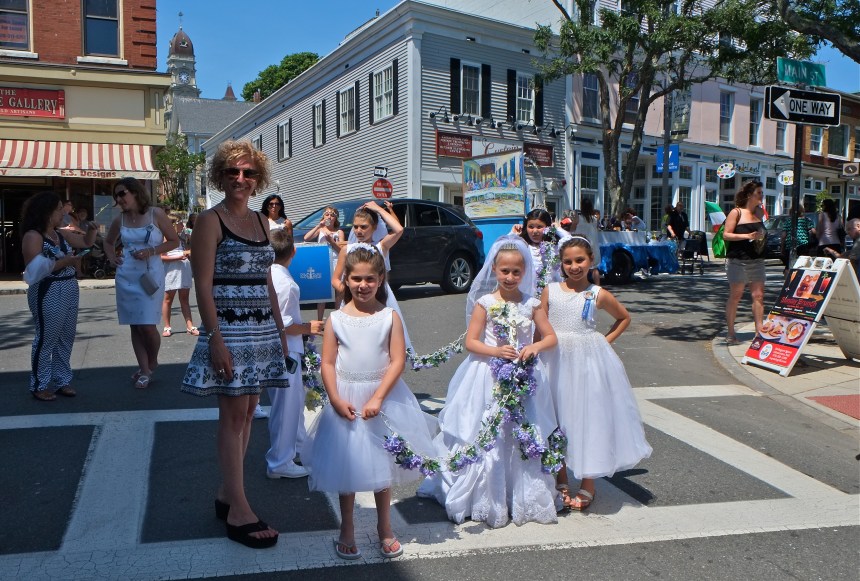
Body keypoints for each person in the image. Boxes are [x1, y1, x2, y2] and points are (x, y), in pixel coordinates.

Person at [180, 140, 291, 549]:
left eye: (247, 173)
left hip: (260, 328)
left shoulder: (264, 222)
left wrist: (279, 333)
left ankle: (228, 494)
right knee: (231, 417)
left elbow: (267, 282)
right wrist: (214, 339)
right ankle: (240, 508)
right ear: (220, 177)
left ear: (257, 178)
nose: (240, 179)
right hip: (228, 328)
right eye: (232, 172)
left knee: (247, 415)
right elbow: (203, 286)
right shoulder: (210, 221)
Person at [303, 245, 436, 559]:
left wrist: (378, 397)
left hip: (383, 398)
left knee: (382, 462)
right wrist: (335, 399)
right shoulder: (336, 319)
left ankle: (384, 527)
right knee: (346, 464)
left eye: (369, 279)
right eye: (356, 278)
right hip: (346, 399)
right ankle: (346, 528)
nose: (362, 285)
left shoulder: (388, 317)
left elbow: (397, 360)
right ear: (346, 280)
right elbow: (328, 363)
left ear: (380, 279)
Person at [418, 235, 560, 528]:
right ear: (494, 269)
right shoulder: (485, 303)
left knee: (520, 430)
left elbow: (550, 337)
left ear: (524, 273)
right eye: (504, 271)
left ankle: (518, 494)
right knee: (484, 430)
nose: (510, 277)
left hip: (523, 377)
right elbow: (471, 342)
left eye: (516, 272)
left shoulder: (532, 304)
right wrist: (495, 350)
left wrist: (533, 347)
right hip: (487, 374)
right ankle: (483, 496)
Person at [545, 235, 652, 510]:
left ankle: (589, 482)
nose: (574, 266)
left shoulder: (597, 294)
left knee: (586, 417)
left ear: (591, 260)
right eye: (568, 261)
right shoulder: (550, 291)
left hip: (586, 363)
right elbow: (540, 325)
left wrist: (603, 341)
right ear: (561, 264)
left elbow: (624, 318)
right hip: (554, 360)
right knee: (557, 417)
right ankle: (561, 477)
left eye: (580, 260)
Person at [21, 191, 98, 401]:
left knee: (66, 337)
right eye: (57, 209)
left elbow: (85, 244)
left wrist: (91, 231)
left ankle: (62, 380)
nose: (62, 213)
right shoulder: (33, 236)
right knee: (47, 338)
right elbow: (33, 270)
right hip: (48, 289)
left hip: (69, 286)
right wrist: (65, 262)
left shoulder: (60, 234)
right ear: (46, 212)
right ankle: (39, 384)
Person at [104, 177, 178, 389]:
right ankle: (145, 370)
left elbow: (175, 240)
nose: (119, 199)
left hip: (150, 274)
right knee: (134, 325)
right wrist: (111, 258)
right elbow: (108, 242)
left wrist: (152, 251)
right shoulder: (121, 219)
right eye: (116, 196)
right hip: (126, 274)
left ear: (135, 192)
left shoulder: (156, 214)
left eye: (122, 193)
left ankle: (152, 360)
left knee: (147, 325)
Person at [266, 228, 324, 479]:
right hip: (285, 349)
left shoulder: (267, 274)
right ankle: (280, 461)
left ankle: (297, 447)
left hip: (275, 348)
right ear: (294, 252)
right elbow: (286, 324)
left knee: (293, 403)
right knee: (287, 407)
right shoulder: (287, 284)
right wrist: (310, 327)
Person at [332, 201, 409, 351]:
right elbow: (335, 278)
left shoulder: (381, 246)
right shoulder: (347, 250)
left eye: (364, 227)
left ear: (374, 227)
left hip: (379, 296)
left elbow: (399, 229)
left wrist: (378, 209)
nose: (359, 231)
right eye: (355, 227)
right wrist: (348, 290)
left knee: (381, 339)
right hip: (352, 297)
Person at [723, 180, 767, 345]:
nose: (761, 196)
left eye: (762, 193)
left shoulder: (759, 213)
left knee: (759, 296)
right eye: (759, 193)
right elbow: (726, 235)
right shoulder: (737, 212)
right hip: (738, 261)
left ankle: (759, 332)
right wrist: (747, 236)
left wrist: (759, 236)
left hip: (757, 260)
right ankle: (731, 332)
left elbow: (760, 232)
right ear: (750, 195)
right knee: (736, 295)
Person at [510, 208, 568, 298]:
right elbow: (502, 248)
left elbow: (572, 241)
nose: (535, 231)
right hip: (528, 294)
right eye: (531, 227)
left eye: (539, 227)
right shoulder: (523, 245)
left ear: (548, 227)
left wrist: (558, 229)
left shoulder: (554, 246)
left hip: (552, 293)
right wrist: (513, 233)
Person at [304, 205, 346, 320]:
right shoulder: (321, 230)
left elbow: (342, 250)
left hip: (337, 261)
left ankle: (338, 318)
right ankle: (319, 320)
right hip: (323, 261)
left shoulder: (339, 232)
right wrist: (319, 225)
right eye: (327, 214)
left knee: (339, 292)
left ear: (336, 218)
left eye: (332, 215)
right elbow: (306, 238)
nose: (329, 216)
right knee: (323, 292)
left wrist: (332, 242)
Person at [160, 214, 198, 337]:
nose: (183, 225)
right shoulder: (165, 238)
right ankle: (167, 327)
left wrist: (189, 243)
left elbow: (190, 249)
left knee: (184, 298)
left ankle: (190, 325)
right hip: (171, 269)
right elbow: (161, 257)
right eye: (180, 223)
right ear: (173, 225)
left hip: (184, 268)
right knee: (168, 299)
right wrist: (178, 256)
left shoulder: (183, 236)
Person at [570, 198, 602, 284]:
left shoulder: (578, 218)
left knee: (582, 267)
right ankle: (598, 286)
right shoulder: (594, 219)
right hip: (594, 246)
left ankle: (583, 285)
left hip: (582, 244)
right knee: (594, 268)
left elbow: (572, 230)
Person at [779, 203, 815, 267]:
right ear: (802, 211)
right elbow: (813, 231)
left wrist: (782, 249)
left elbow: (783, 236)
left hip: (790, 246)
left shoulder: (788, 221)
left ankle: (788, 275)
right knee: (802, 266)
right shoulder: (806, 220)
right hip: (803, 245)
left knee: (789, 266)